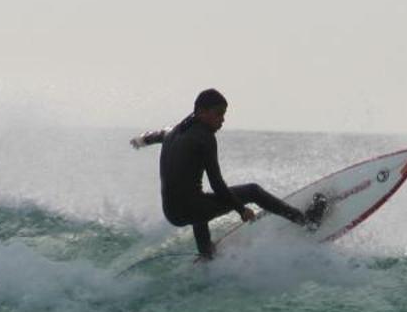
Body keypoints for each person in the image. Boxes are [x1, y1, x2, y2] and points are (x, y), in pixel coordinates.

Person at [132, 89, 323, 259]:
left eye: (223, 115)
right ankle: (307, 221)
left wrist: (141, 140)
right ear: (200, 112)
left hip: (172, 213)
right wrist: (241, 209)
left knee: (198, 201)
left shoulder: (171, 132)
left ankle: (206, 253)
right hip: (190, 209)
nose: (222, 120)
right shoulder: (204, 137)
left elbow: (154, 136)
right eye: (218, 114)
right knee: (252, 191)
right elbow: (217, 183)